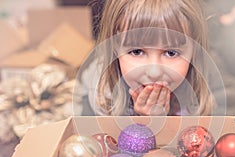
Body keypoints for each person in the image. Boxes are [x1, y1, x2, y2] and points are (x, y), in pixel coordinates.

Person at [78, 0, 221, 116]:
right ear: (115, 49)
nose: (154, 72)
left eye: (171, 53)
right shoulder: (103, 96)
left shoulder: (200, 93)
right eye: (137, 51)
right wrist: (145, 122)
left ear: (194, 52)